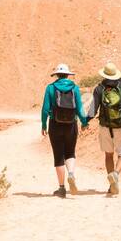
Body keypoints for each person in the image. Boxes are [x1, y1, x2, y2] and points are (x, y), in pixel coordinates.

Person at [40, 64, 88, 198]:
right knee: (70, 152)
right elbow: (79, 108)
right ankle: (71, 174)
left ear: (56, 75)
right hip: (71, 125)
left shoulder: (50, 88)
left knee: (58, 155)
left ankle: (61, 189)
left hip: (55, 125)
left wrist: (44, 125)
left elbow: (45, 109)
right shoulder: (75, 88)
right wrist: (84, 122)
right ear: (67, 75)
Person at [86, 62, 121, 196]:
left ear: (104, 74)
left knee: (108, 155)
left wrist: (84, 121)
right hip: (120, 125)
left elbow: (93, 110)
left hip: (105, 127)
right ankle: (116, 174)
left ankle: (112, 184)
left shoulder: (99, 89)